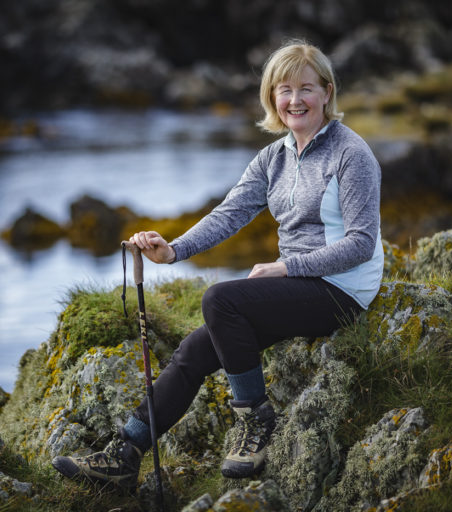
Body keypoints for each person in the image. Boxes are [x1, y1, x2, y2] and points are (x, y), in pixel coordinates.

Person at [51, 39, 384, 488]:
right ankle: (125, 453)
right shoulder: (274, 157)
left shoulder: (351, 153)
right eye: (283, 90)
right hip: (301, 287)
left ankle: (256, 422)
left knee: (221, 299)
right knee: (194, 350)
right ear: (272, 97)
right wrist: (172, 251)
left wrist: (285, 267)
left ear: (327, 91)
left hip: (342, 290)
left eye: (306, 88)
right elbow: (230, 214)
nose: (294, 100)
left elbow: (362, 243)